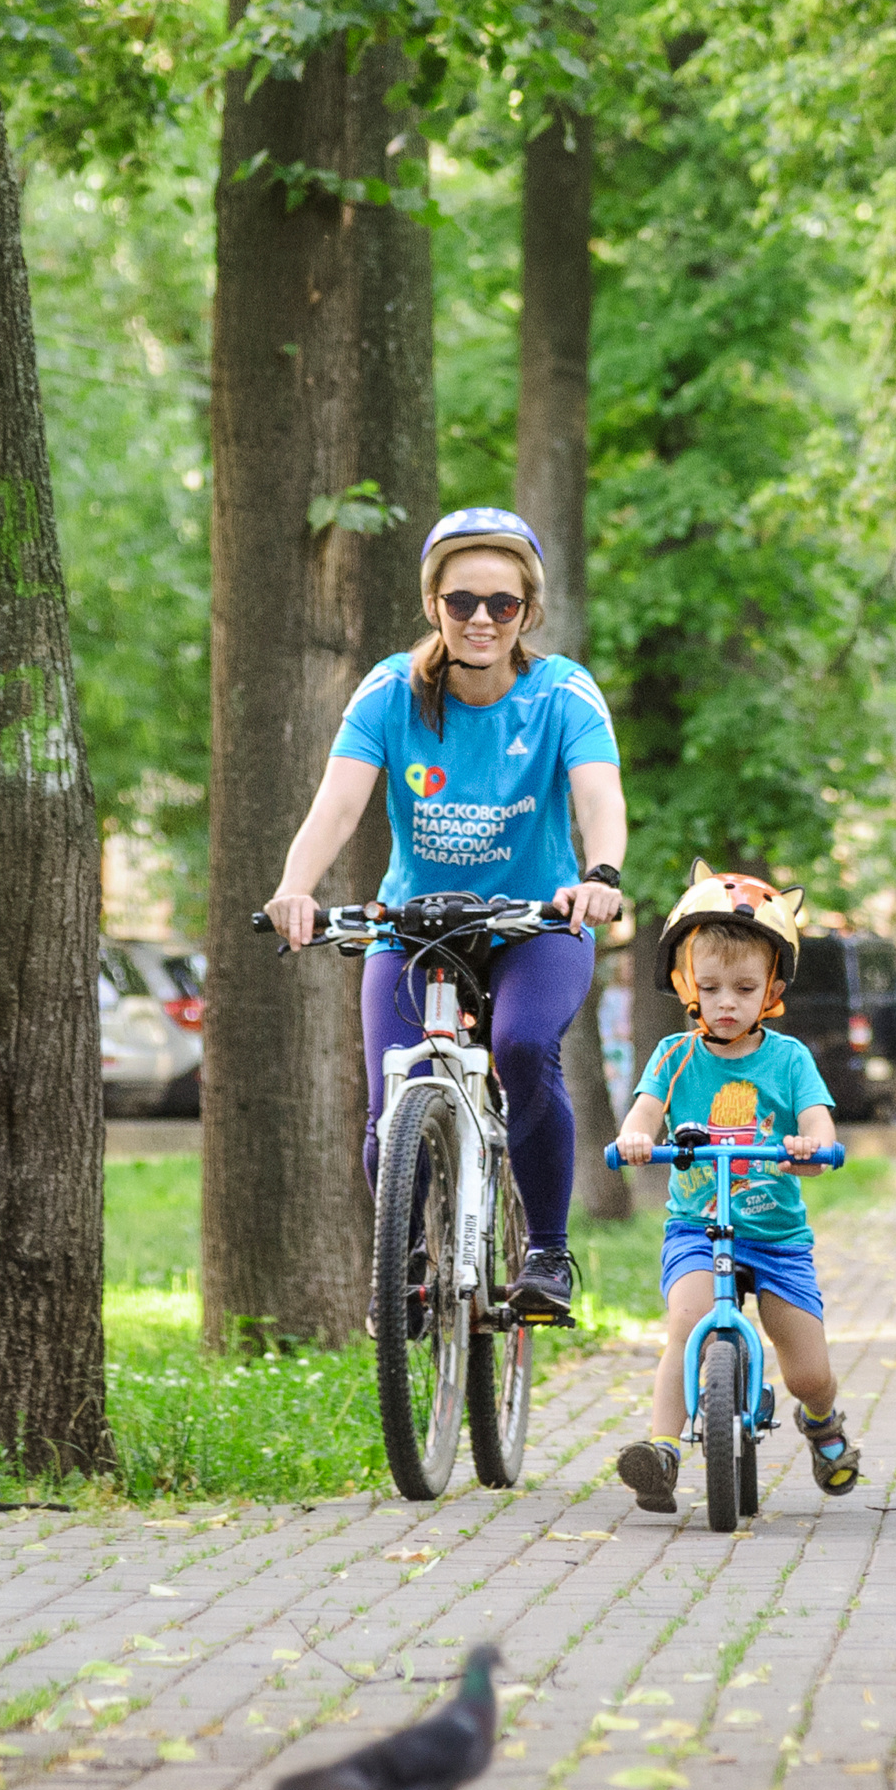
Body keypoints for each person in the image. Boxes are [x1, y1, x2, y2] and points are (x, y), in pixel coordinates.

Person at [265, 507, 627, 1322]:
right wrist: (296, 887)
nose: (480, 619)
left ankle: (546, 1253)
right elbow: (337, 804)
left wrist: (600, 875)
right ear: (433, 604)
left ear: (528, 611)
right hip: (414, 926)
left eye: (503, 603)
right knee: (392, 1097)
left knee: (523, 1046)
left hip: (536, 923)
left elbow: (600, 795)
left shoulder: (562, 692)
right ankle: (405, 1267)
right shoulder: (391, 690)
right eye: (461, 601)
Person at [611, 866, 862, 1512]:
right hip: (698, 1228)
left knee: (808, 1372)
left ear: (772, 989)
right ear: (685, 984)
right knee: (686, 1322)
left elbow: (819, 1127)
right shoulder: (673, 1055)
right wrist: (635, 1137)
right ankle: (662, 1450)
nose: (727, 1002)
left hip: (775, 1237)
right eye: (711, 987)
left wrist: (810, 1148)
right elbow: (643, 1115)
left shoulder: (789, 1058)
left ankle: (822, 1422)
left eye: (745, 989)